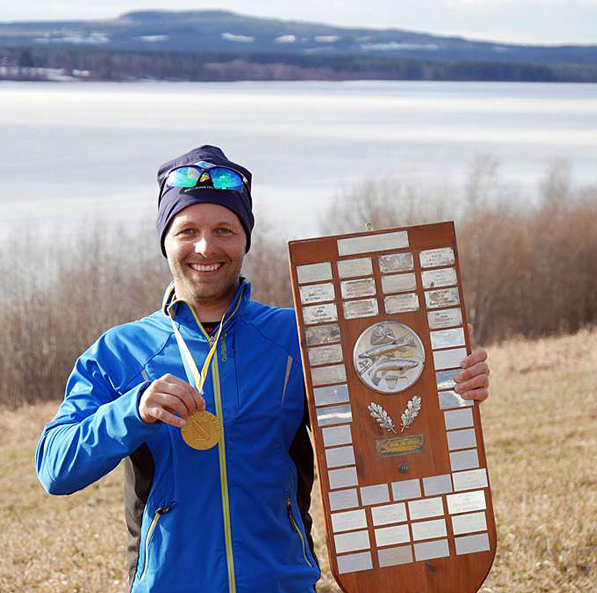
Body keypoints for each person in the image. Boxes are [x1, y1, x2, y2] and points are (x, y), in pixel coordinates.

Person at [35, 145, 491, 593]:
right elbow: (55, 467)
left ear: (246, 240)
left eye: (225, 230)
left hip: (282, 582)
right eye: (187, 230)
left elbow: (384, 423)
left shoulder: (301, 337)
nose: (206, 247)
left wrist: (447, 384)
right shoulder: (120, 351)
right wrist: (131, 410)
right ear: (165, 243)